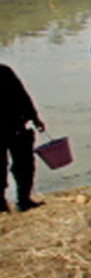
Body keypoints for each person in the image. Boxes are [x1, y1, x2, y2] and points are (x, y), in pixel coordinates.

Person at [1, 64, 45, 212]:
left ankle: (19, 200)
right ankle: (21, 200)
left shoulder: (5, 72)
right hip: (15, 125)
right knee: (23, 165)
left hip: (15, 125)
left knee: (23, 165)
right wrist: (35, 118)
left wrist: (34, 117)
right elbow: (22, 96)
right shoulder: (4, 72)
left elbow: (22, 96)